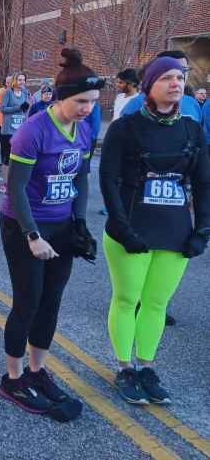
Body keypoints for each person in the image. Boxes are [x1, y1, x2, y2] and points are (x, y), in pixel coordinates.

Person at [100, 56, 210, 406]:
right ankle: (124, 367)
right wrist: (121, 226)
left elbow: (204, 183)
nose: (176, 83)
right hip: (131, 231)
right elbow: (109, 182)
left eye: (180, 77)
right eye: (166, 78)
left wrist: (203, 229)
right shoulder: (125, 128)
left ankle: (146, 366)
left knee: (157, 303)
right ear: (149, 85)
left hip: (174, 234)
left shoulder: (192, 130)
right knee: (127, 299)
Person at [0, 51, 102, 416]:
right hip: (24, 224)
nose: (87, 108)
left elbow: (82, 179)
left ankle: (37, 371)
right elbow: (16, 188)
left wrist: (80, 223)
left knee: (51, 302)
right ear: (60, 98)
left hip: (60, 224)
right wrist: (32, 235)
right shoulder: (33, 130)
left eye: (92, 102)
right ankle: (13, 378)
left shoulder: (85, 128)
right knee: (28, 301)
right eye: (80, 101)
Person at [121, 51, 202, 122]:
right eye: (171, 71)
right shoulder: (137, 104)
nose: (181, 75)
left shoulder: (192, 103)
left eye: (184, 69)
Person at [0, 73, 30, 194]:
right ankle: (4, 183)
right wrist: (18, 107)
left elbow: (25, 111)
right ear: (15, 81)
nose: (22, 82)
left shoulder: (25, 93)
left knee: (19, 157)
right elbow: (2, 109)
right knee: (7, 157)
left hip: (20, 130)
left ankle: (16, 182)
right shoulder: (8, 93)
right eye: (20, 79)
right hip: (8, 130)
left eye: (24, 80)